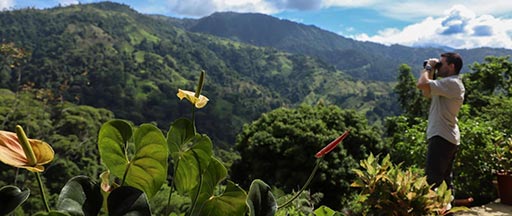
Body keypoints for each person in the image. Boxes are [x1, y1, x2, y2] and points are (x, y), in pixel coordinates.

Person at [416, 52, 465, 204]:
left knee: (433, 182)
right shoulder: (446, 85)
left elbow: (421, 84)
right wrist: (430, 71)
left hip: (442, 137)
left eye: (441, 64)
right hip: (446, 136)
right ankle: (448, 212)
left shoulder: (452, 83)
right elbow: (426, 92)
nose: (439, 67)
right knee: (445, 182)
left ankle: (435, 211)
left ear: (451, 66)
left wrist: (429, 67)